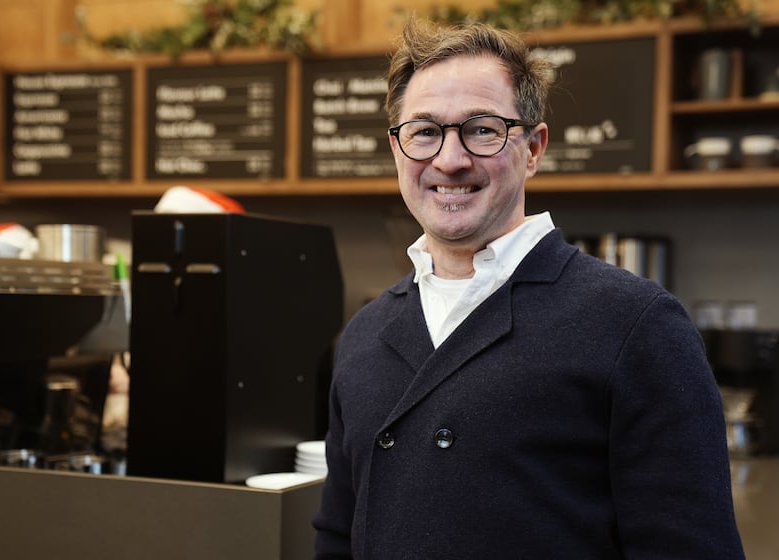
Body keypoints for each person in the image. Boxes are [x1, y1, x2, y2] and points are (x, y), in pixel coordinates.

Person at [313, 17, 744, 560]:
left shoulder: (635, 325)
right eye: (424, 131)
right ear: (398, 149)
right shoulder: (364, 336)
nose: (450, 159)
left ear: (534, 147)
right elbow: (336, 537)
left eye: (482, 129)